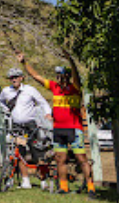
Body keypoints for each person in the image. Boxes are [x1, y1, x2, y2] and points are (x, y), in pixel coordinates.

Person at [21, 51, 93, 194]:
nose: (58, 78)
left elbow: (76, 76)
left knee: (81, 158)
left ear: (67, 76)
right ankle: (63, 187)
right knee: (60, 159)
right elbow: (36, 76)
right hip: (58, 129)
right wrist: (24, 62)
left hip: (74, 128)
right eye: (57, 76)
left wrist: (70, 60)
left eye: (60, 75)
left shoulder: (75, 88)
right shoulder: (55, 87)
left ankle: (91, 187)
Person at [0, 64, 52, 189]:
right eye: (11, 77)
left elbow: (42, 102)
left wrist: (48, 113)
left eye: (16, 77)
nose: (13, 79)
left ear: (21, 78)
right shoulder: (6, 91)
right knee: (19, 152)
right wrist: (6, 110)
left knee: (37, 152)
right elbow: (0, 101)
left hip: (31, 125)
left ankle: (43, 181)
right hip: (17, 126)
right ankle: (25, 180)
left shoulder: (30, 90)